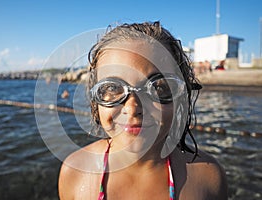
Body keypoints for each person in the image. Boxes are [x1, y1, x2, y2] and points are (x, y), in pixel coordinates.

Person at [58, 21, 227, 200]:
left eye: (158, 88)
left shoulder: (207, 178)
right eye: (112, 88)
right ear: (96, 101)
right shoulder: (76, 172)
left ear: (180, 98)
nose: (132, 109)